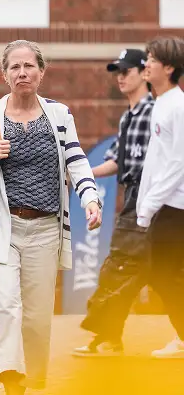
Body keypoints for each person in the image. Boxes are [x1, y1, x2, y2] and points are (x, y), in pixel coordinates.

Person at [0, 40, 102, 395]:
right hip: (0, 228)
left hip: (46, 229)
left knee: (36, 318)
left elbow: (75, 158)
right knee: (6, 308)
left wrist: (90, 198)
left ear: (41, 71)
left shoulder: (58, 114)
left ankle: (29, 380)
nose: (22, 73)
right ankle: (12, 392)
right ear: (4, 74)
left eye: (29, 66)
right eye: (15, 67)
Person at [73, 49, 154, 356]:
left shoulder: (155, 113)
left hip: (150, 203)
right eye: (118, 72)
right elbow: (116, 161)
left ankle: (108, 339)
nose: (121, 77)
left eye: (127, 71)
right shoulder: (128, 117)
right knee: (161, 273)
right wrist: (82, 174)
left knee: (120, 270)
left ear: (144, 73)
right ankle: (109, 337)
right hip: (136, 200)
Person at [136, 36, 184, 358]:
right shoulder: (161, 104)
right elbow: (157, 160)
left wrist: (150, 205)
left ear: (169, 68)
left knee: (162, 272)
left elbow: (179, 160)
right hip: (165, 205)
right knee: (164, 272)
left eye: (152, 59)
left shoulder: (177, 106)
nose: (146, 64)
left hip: (175, 206)